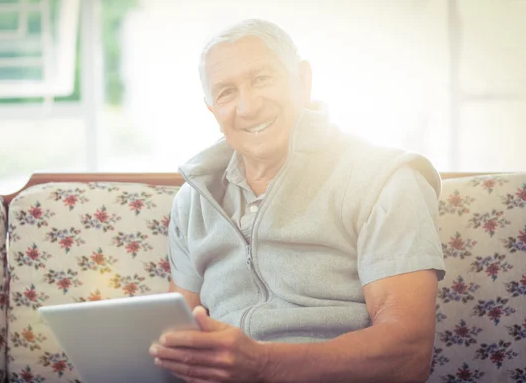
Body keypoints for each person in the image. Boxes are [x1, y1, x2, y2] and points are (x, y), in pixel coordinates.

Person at [148, 19, 446, 383]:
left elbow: (408, 354)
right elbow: (178, 340)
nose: (249, 105)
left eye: (262, 79)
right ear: (212, 109)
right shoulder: (192, 200)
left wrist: (263, 364)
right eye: (226, 92)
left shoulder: (384, 178)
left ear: (303, 81)